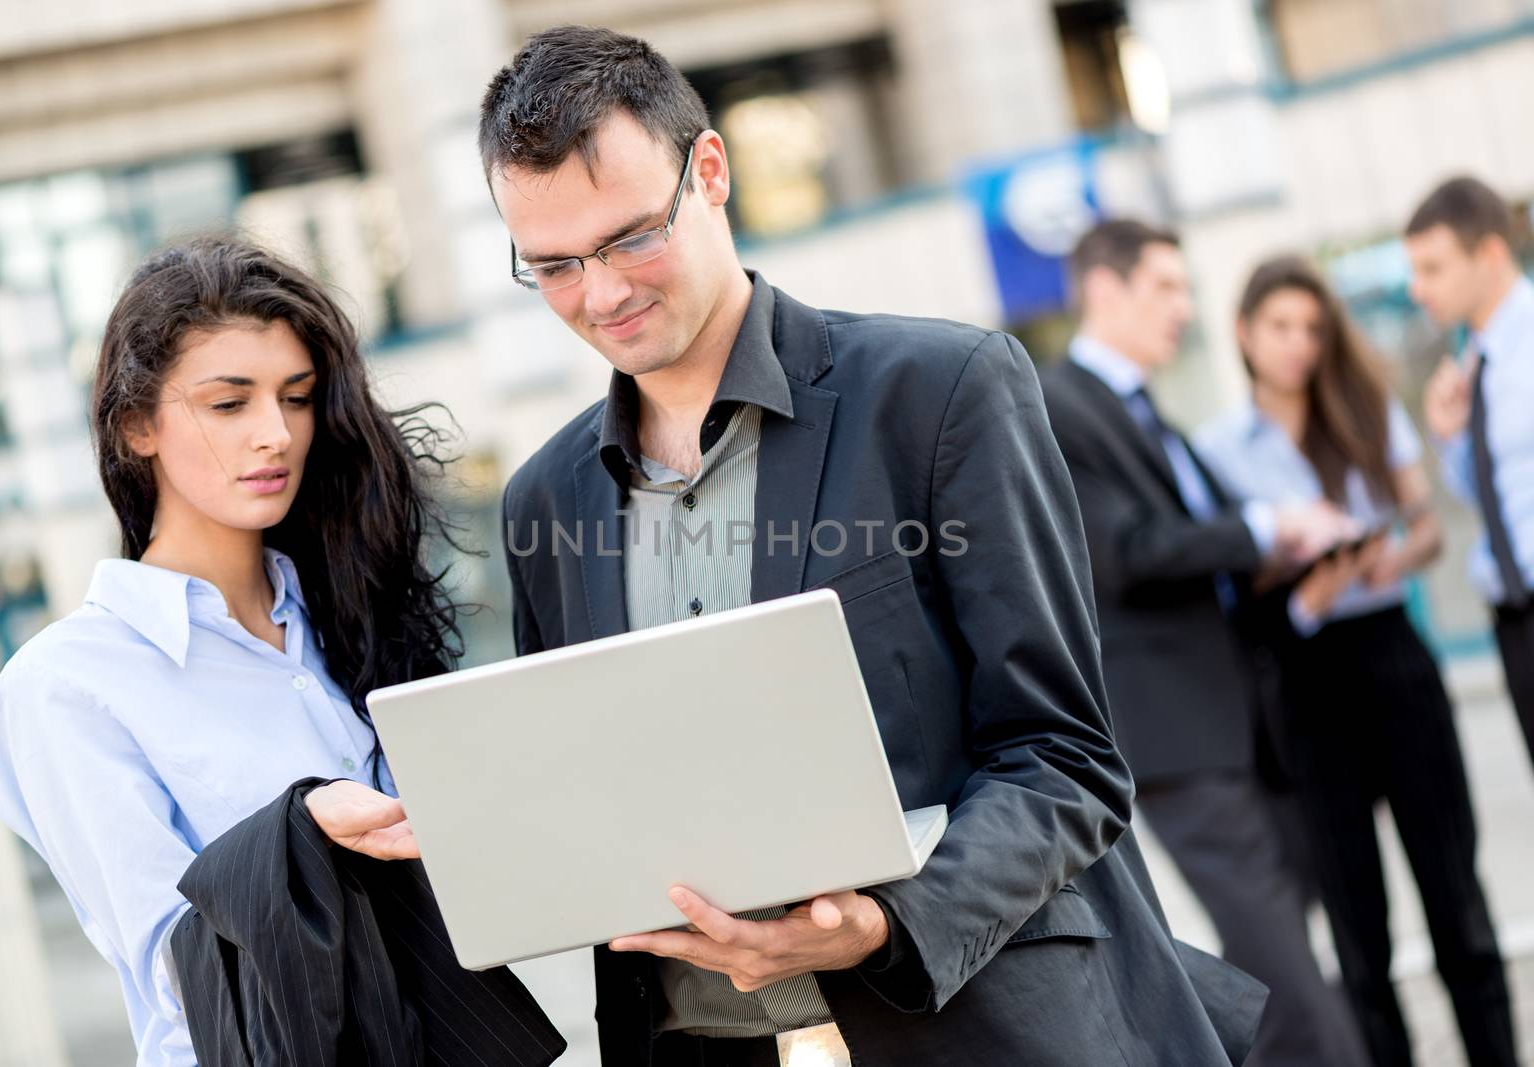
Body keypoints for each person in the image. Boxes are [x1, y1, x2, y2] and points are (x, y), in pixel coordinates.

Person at [468, 24, 1263, 1067]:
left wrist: (888, 920)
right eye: (555, 265)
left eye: (628, 240)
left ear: (710, 171)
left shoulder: (940, 394)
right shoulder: (541, 502)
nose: (602, 293)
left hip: (978, 1028)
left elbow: (1063, 756)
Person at [0, 237, 557, 1066]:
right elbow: (177, 970)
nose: (275, 435)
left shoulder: (348, 625)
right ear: (137, 423)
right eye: (228, 404)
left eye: (296, 397)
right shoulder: (65, 688)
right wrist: (305, 830)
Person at [1040, 221, 1372, 1067]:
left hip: (1248, 722)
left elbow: (1207, 568)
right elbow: (1127, 553)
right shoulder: (1060, 405)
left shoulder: (1156, 417)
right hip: (1180, 736)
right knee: (1290, 980)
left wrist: (1294, 570)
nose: (1186, 310)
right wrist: (1264, 526)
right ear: (1104, 290)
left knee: (1276, 968)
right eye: (1167, 289)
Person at [1196, 254, 1517, 1067]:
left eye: (1312, 327)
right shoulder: (1217, 449)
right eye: (1281, 326)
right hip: (1307, 681)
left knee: (1458, 906)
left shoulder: (1366, 411)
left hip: (1394, 661)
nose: (1299, 344)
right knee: (1358, 934)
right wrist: (1307, 581)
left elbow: (1429, 528)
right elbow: (1229, 576)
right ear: (1243, 334)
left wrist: (1389, 563)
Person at [1410, 175, 1534, 772]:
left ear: (1489, 253)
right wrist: (1451, 436)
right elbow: (1491, 494)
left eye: (1433, 268)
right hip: (1515, 622)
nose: (1418, 289)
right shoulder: (1473, 362)